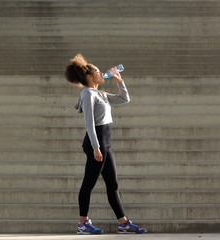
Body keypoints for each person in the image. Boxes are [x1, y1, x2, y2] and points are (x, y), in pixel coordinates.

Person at [64, 54, 147, 235]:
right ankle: (83, 224)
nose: (102, 73)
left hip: (105, 143)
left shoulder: (100, 93)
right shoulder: (87, 94)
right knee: (89, 183)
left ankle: (123, 224)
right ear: (89, 77)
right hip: (96, 143)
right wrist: (95, 147)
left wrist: (119, 81)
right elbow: (89, 123)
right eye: (97, 71)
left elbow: (124, 99)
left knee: (113, 184)